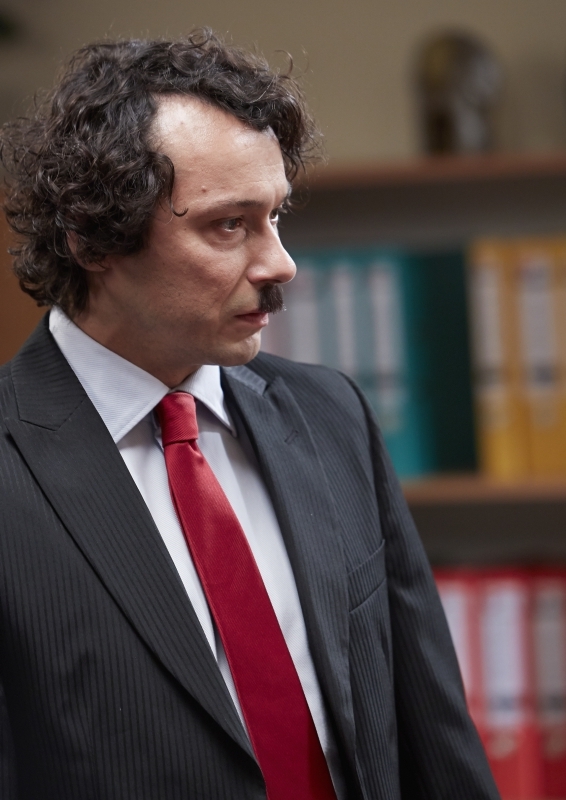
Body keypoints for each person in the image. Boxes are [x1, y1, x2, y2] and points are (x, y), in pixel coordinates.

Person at [0, 29, 499, 800]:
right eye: (228, 225)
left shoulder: (333, 416)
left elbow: (433, 735)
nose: (281, 264)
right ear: (92, 238)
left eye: (276, 216)